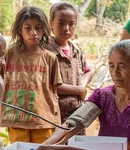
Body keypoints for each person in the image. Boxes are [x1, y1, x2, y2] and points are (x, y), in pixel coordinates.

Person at [40, 39, 130, 150]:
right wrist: (48, 143)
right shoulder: (101, 96)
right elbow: (74, 122)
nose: (115, 72)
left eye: (122, 66)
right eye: (111, 66)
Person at [0, 6, 63, 144]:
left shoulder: (50, 58)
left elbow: (54, 92)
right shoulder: (8, 55)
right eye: (27, 28)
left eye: (38, 28)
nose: (33, 33)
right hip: (16, 119)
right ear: (19, 30)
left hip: (43, 120)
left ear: (44, 29)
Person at [44, 2, 94, 131]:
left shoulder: (77, 50)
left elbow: (89, 70)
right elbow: (49, 85)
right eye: (61, 23)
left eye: (71, 24)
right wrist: (78, 90)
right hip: (53, 116)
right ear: (51, 24)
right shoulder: (45, 52)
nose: (66, 28)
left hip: (77, 116)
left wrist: (82, 85)